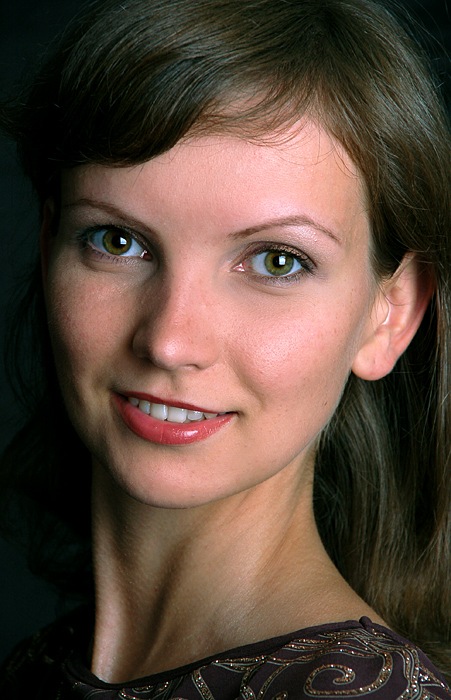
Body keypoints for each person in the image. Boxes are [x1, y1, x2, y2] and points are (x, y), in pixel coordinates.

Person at [0, 0, 450, 696]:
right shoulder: (34, 670)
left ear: (389, 316)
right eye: (117, 241)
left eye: (276, 261)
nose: (169, 341)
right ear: (48, 244)